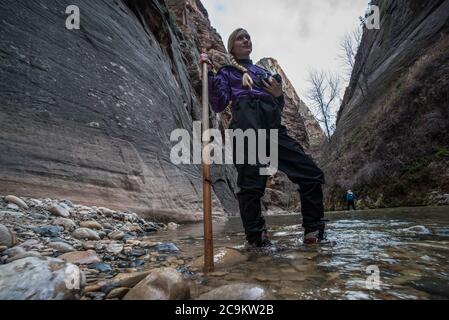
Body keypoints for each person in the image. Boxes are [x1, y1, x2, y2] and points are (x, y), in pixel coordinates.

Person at [200, 28, 327, 247]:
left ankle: (313, 231)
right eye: (240, 38)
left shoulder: (262, 72)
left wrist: (278, 96)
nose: (246, 40)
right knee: (250, 187)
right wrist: (210, 75)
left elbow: (277, 107)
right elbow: (219, 103)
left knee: (311, 174)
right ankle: (257, 238)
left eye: (248, 36)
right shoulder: (227, 72)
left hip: (272, 128)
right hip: (246, 128)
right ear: (232, 46)